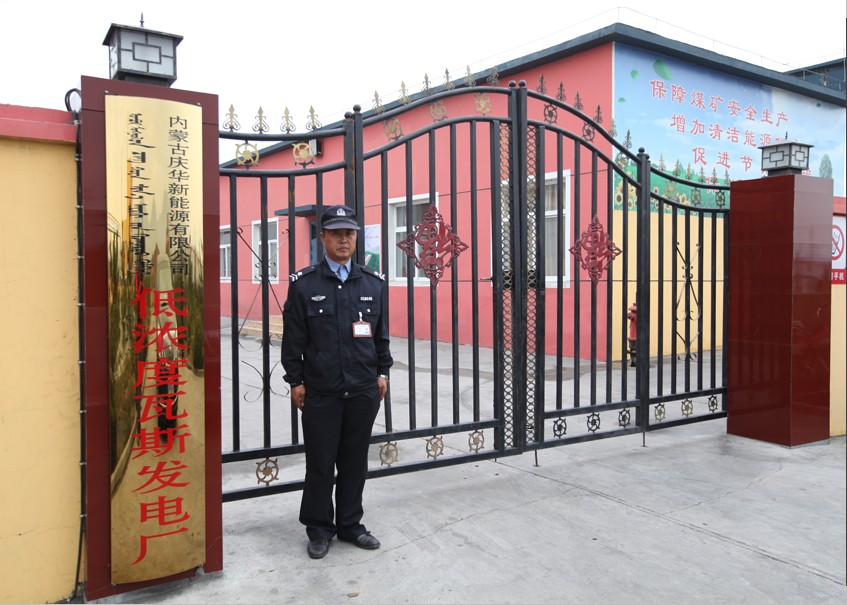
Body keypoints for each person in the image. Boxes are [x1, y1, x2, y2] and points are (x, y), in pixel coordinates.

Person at [281, 204, 393, 560]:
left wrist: (383, 372)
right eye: (336, 234)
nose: (344, 240)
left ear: (355, 238)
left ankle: (350, 525)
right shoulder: (305, 285)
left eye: (349, 234)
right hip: (322, 391)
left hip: (362, 389)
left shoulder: (373, 283)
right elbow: (293, 340)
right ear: (323, 237)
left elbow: (381, 336)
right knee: (320, 462)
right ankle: (318, 529)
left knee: (354, 462)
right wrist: (295, 380)